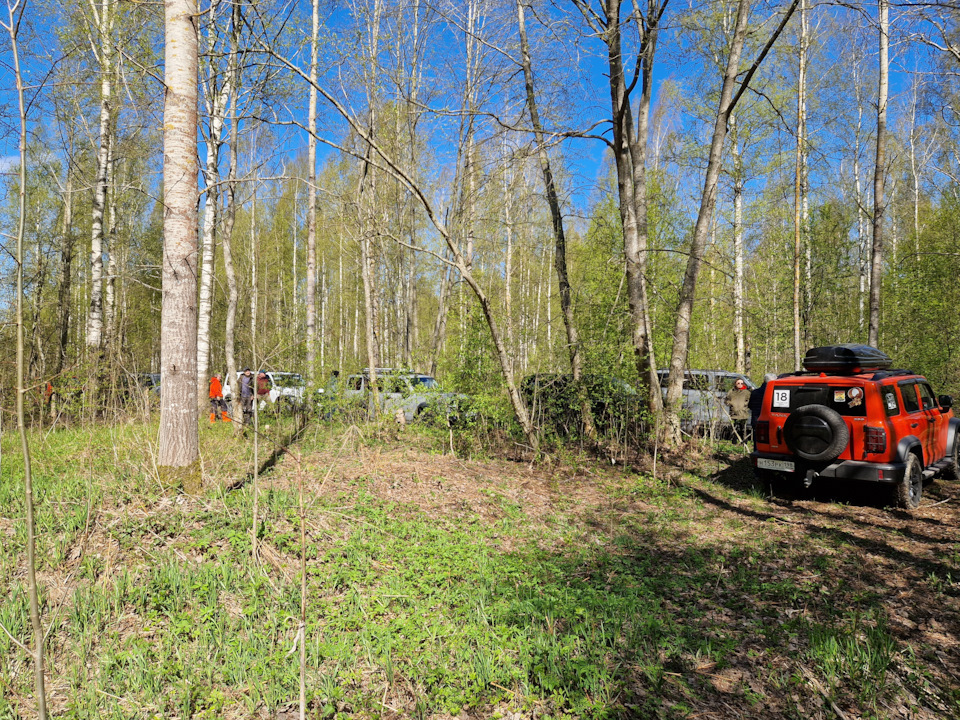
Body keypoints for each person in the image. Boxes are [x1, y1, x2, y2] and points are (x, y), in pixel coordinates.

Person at [726, 377, 751, 442]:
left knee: (743, 429)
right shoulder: (731, 391)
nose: (740, 384)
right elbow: (726, 400)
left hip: (743, 413)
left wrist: (745, 404)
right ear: (735, 384)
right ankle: (734, 442)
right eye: (738, 383)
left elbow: (750, 401)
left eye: (741, 383)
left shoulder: (746, 392)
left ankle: (744, 442)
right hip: (733, 413)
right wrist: (730, 403)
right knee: (734, 429)